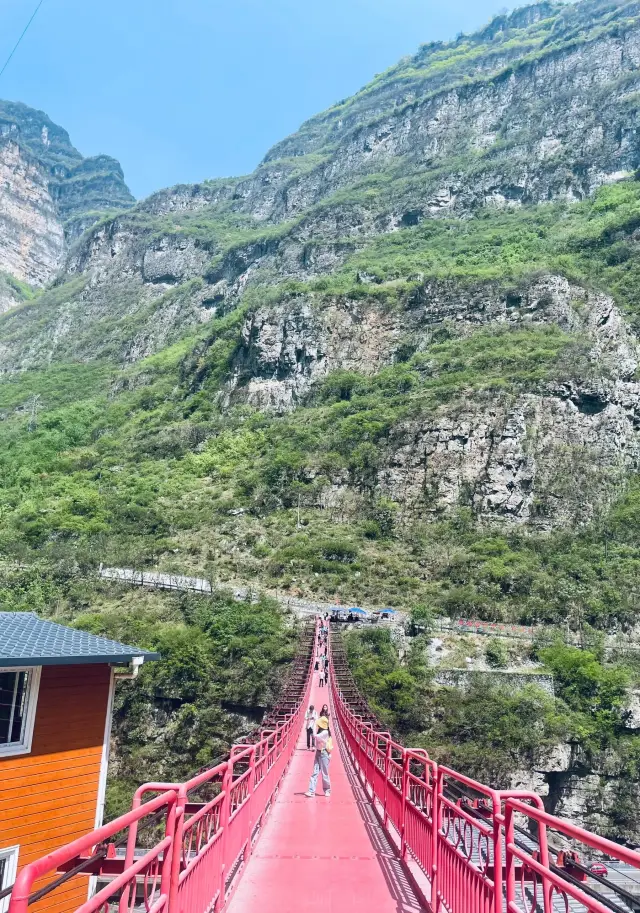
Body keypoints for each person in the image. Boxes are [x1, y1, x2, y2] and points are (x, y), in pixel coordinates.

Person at [305, 716, 332, 797]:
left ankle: (327, 790)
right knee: (315, 772)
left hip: (324, 753)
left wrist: (313, 724)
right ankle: (311, 791)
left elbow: (315, 736)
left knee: (324, 773)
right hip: (318, 752)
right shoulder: (321, 731)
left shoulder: (325, 732)